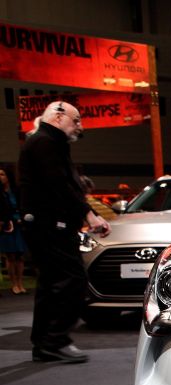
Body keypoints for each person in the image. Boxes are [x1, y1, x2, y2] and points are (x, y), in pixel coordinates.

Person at [17, 101, 110, 364]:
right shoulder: (45, 143)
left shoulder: (47, 142)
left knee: (51, 283)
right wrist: (90, 214)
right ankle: (55, 340)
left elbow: (65, 184)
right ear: (58, 117)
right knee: (72, 278)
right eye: (76, 120)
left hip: (46, 224)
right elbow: (59, 185)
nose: (79, 127)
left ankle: (45, 343)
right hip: (49, 224)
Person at [0, 165, 29, 294]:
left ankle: (20, 282)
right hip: (7, 226)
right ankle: (14, 284)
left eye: (2, 174)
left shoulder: (17, 191)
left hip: (20, 225)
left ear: (8, 176)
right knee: (10, 256)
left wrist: (22, 218)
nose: (0, 177)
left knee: (20, 256)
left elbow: (24, 205)